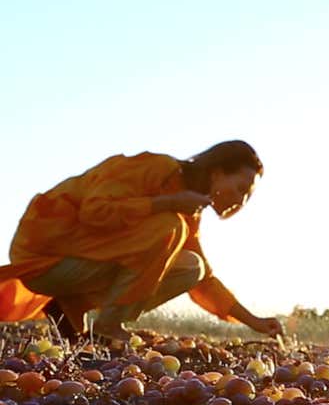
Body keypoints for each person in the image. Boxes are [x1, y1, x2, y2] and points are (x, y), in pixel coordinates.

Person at [0, 140, 284, 344]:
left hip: (81, 263)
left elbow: (203, 281)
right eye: (240, 189)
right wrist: (165, 203)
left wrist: (254, 322)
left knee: (191, 267)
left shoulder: (187, 212)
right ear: (217, 172)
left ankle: (70, 307)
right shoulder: (157, 169)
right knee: (167, 227)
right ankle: (107, 326)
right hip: (46, 251)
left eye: (248, 196)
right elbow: (95, 210)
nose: (241, 201)